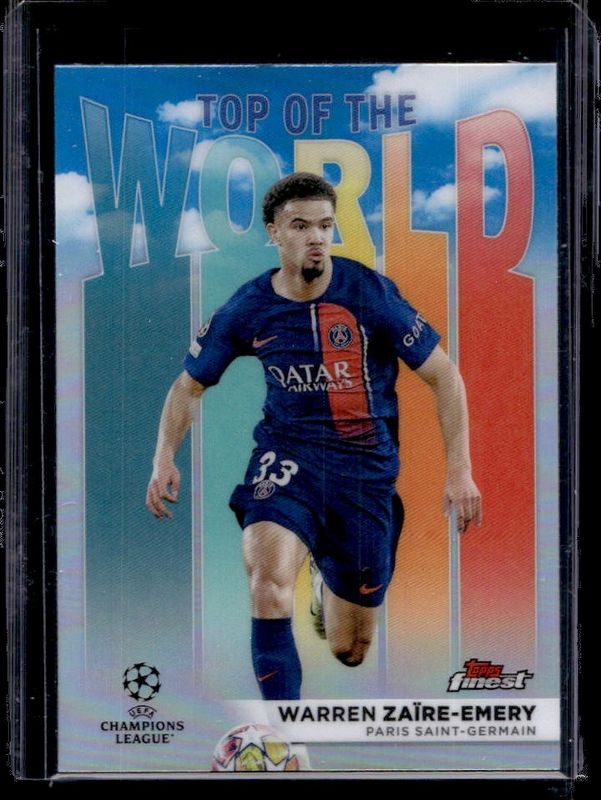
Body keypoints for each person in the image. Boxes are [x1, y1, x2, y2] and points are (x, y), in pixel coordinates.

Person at [146, 172, 482, 700]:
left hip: (364, 473)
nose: (317, 238)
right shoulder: (248, 308)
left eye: (325, 225)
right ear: (274, 233)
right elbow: (187, 386)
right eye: (301, 226)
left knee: (350, 649)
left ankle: (327, 579)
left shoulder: (370, 294)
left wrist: (459, 470)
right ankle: (282, 736)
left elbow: (444, 375)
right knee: (267, 584)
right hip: (288, 459)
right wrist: (164, 457)